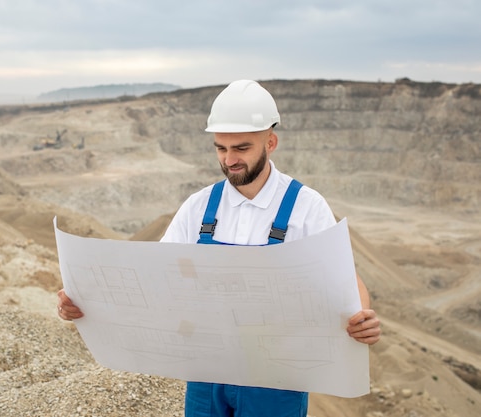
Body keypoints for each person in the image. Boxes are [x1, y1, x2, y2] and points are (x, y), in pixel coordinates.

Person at [57, 79, 381, 417]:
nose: (229, 160)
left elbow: (347, 284)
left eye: (241, 148)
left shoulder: (306, 207)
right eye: (220, 149)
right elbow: (153, 282)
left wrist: (362, 320)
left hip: (276, 380)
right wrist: (80, 301)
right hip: (206, 374)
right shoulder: (198, 208)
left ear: (270, 142)